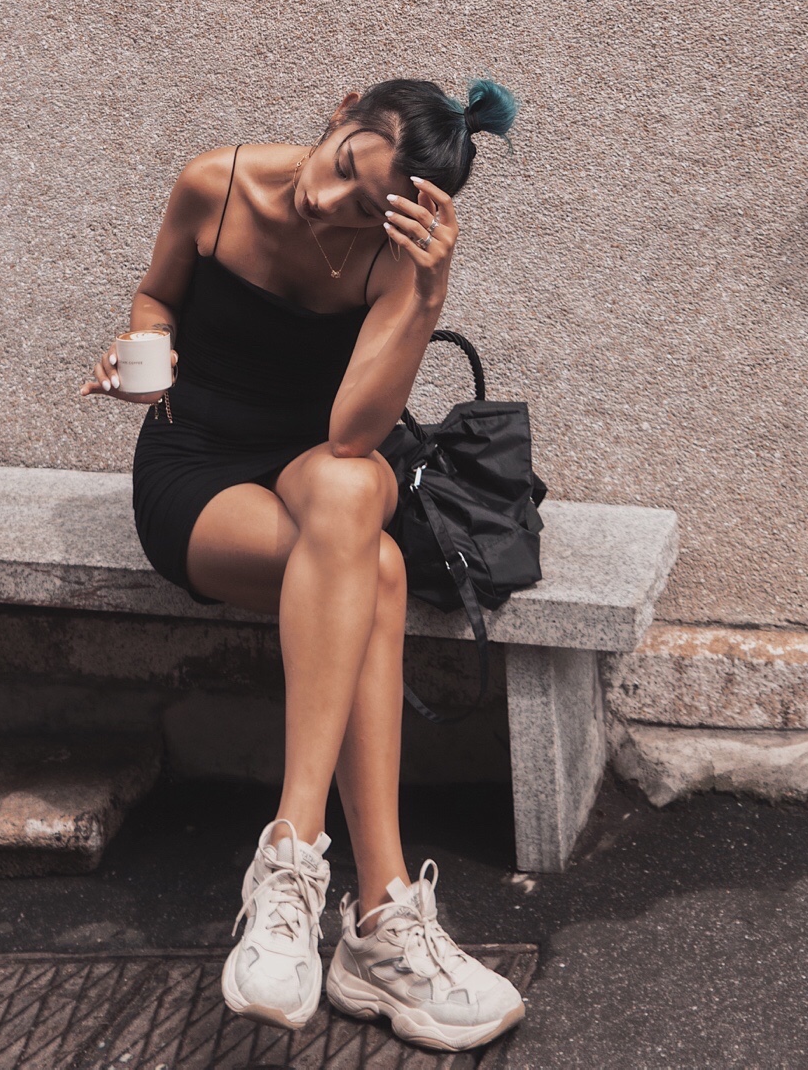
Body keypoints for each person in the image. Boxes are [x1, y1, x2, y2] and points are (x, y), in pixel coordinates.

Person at [82, 77, 525, 1050]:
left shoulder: (393, 262)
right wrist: (142, 347)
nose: (330, 202)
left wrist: (426, 292)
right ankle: (378, 918)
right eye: (342, 167)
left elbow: (351, 433)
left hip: (311, 466)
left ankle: (289, 864)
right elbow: (156, 294)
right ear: (341, 110)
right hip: (196, 468)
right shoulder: (215, 183)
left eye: (367, 206)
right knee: (375, 572)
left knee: (350, 489)